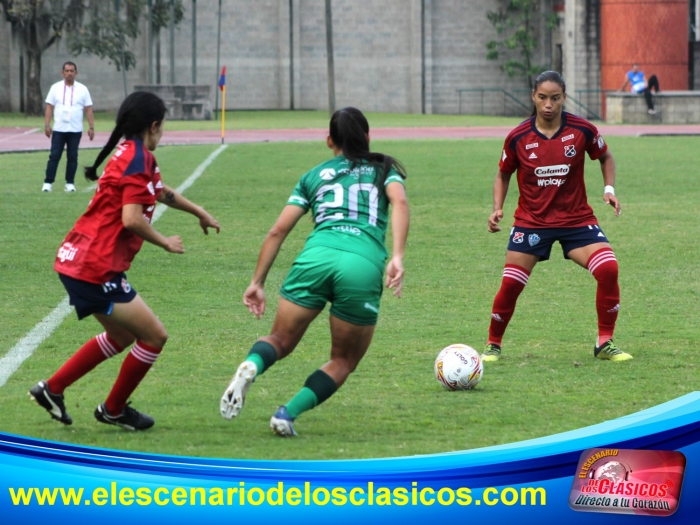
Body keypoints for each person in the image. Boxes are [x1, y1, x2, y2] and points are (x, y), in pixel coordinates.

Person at [29, 91, 220, 431]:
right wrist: (165, 242)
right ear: (154, 126)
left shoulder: (131, 152)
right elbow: (131, 219)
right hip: (95, 266)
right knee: (154, 336)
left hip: (79, 258)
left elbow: (159, 191)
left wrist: (198, 211)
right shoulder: (137, 158)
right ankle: (113, 409)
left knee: (121, 336)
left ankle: (53, 389)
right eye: (163, 127)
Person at [220, 107, 409, 437]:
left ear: (329, 141)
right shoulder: (384, 168)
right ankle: (286, 414)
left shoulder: (313, 175)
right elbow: (400, 203)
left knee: (279, 340)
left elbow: (278, 231)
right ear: (367, 137)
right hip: (361, 264)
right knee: (343, 360)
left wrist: (257, 282)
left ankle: (252, 364)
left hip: (315, 258)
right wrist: (397, 256)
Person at [483, 70, 632, 364]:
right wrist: (497, 207)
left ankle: (604, 342)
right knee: (511, 284)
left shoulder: (582, 130)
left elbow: (605, 156)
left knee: (608, 268)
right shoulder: (518, 137)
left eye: (555, 98)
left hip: (576, 220)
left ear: (564, 97)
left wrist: (609, 189)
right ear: (533, 97)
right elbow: (503, 173)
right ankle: (493, 344)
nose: (548, 104)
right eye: (542, 97)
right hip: (532, 222)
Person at [43, 61, 95, 193]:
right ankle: (48, 183)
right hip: (59, 129)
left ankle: (70, 183)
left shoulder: (83, 89)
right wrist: (47, 125)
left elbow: (88, 109)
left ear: (76, 73)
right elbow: (49, 107)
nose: (69, 73)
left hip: (75, 129)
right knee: (54, 155)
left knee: (72, 157)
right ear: (62, 73)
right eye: (67, 71)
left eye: (72, 71)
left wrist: (91, 127)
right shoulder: (55, 88)